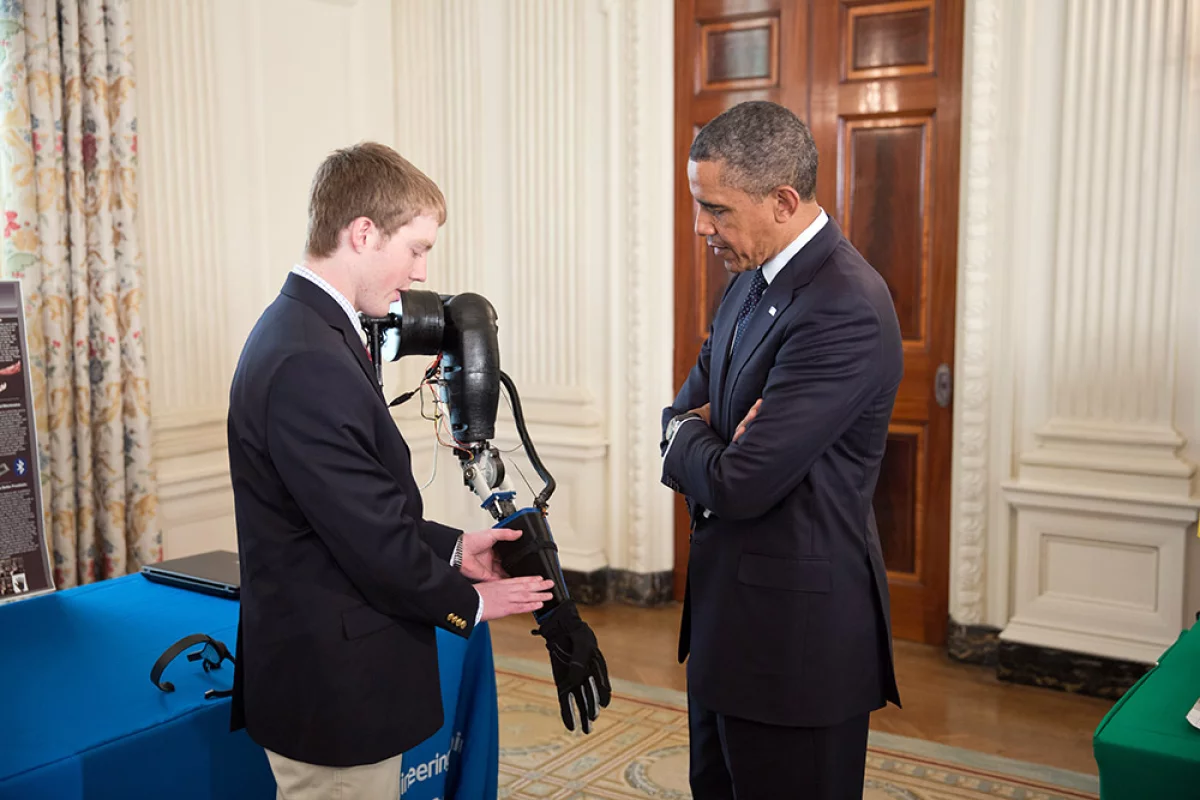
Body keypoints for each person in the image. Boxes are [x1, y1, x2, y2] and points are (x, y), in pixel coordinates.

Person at [226, 142, 555, 800]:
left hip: (338, 672)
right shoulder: (307, 358)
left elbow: (353, 507)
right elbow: (371, 540)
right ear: (363, 233)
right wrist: (471, 604)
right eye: (416, 247)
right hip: (331, 689)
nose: (422, 270)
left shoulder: (314, 331)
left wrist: (457, 549)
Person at [660, 101, 903, 799]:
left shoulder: (844, 305)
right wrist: (693, 431)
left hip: (795, 652)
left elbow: (739, 482)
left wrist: (692, 438)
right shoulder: (747, 280)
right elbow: (679, 415)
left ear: (784, 201)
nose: (701, 225)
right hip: (724, 631)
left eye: (717, 209)